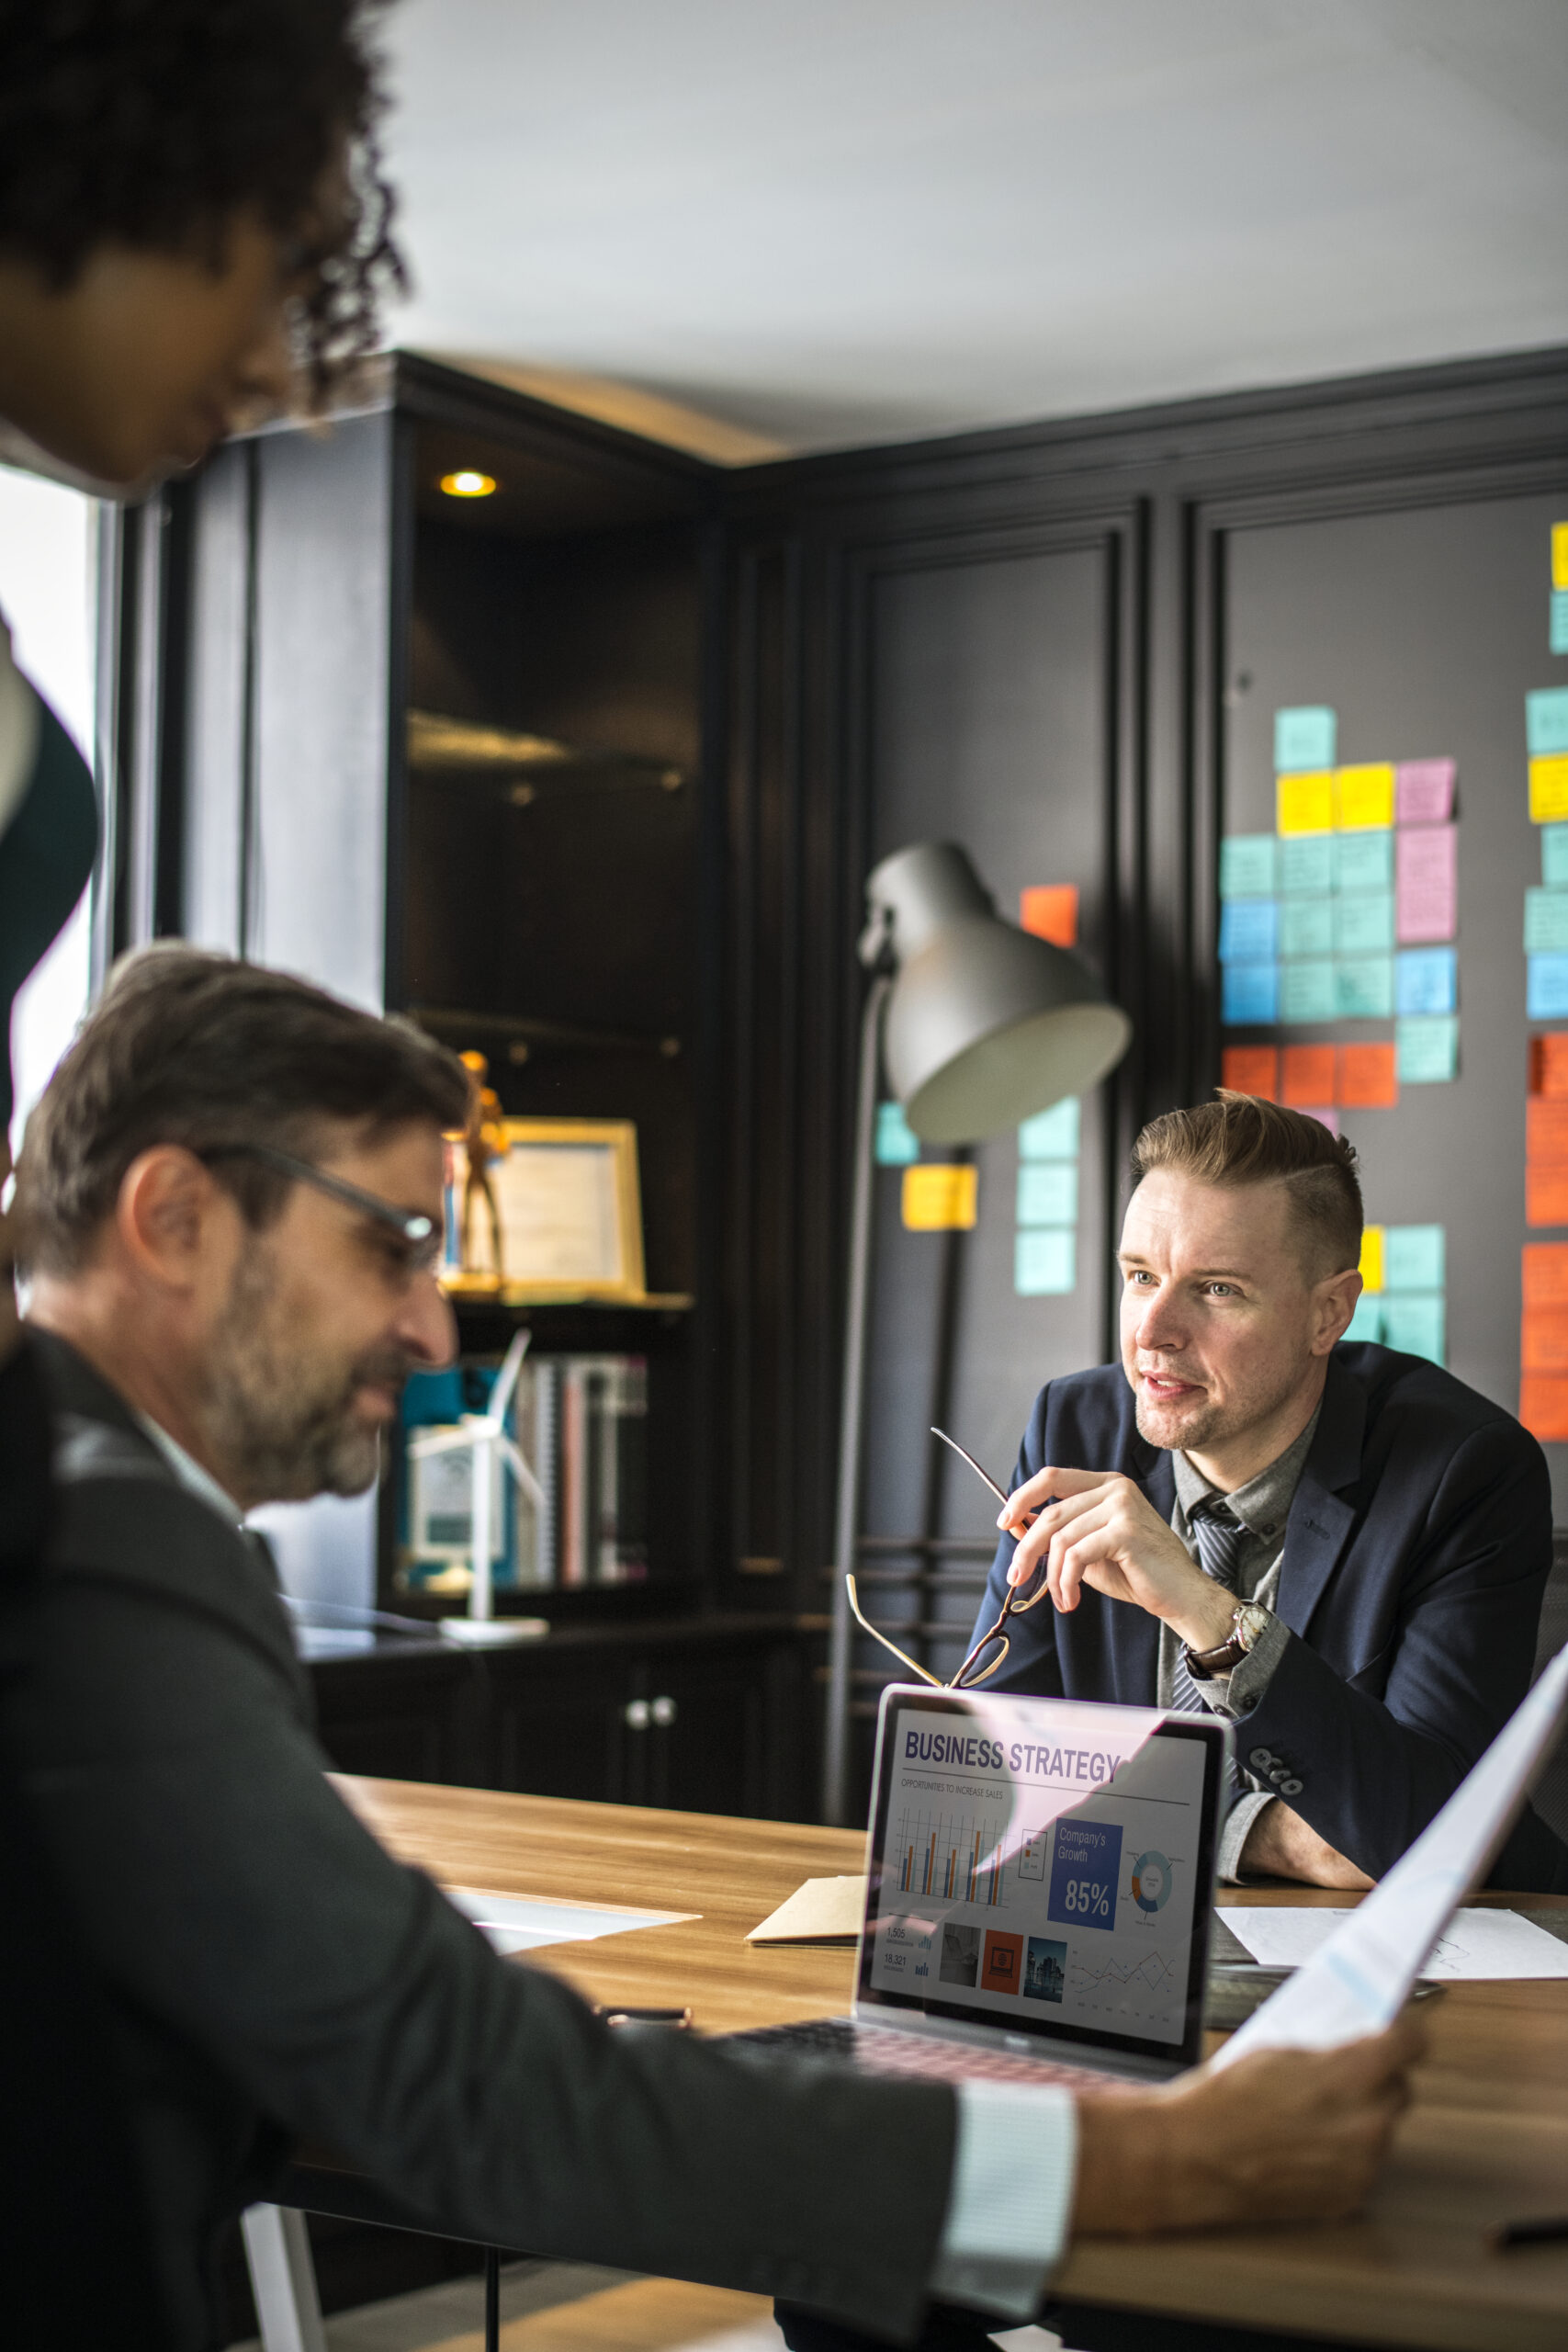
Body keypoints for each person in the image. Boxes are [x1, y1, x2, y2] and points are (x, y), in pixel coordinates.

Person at [4, 949, 1422, 2351]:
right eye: (393, 1242)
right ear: (175, 1217)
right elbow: (473, 2091)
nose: (431, 1321)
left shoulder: (74, 1515)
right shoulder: (94, 1556)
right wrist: (1154, 2164)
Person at [974, 1094, 1566, 1893]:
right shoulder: (1070, 1430)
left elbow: (1426, 1834)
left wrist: (1208, 1615)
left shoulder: (1463, 1470)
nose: (1151, 1331)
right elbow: (991, 1776)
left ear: (1328, 1314)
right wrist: (1270, 1833)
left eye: (1216, 1290)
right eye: (1140, 1275)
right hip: (1118, 1950)